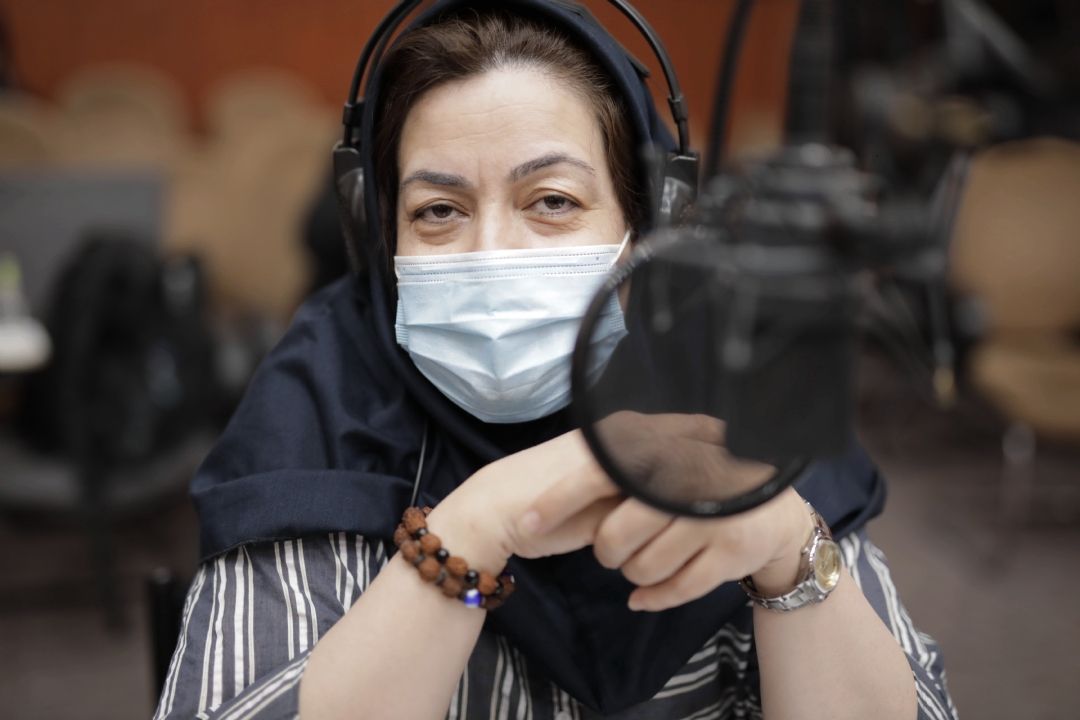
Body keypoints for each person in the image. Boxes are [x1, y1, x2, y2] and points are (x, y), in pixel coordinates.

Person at [153, 2, 957, 718]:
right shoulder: (321, 401)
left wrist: (787, 550)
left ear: (647, 226)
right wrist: (476, 526)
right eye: (438, 210)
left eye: (553, 201)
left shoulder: (735, 380)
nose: (492, 253)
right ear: (379, 234)